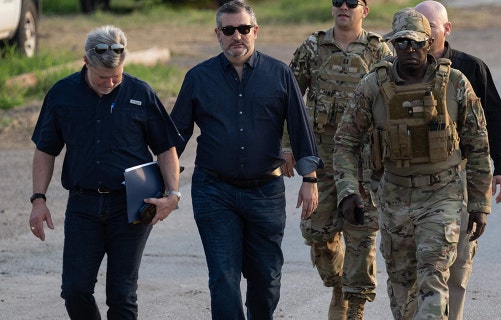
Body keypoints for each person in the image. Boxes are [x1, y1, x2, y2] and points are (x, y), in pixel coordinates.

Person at [333, 8, 493, 319]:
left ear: (430, 42)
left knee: (433, 275)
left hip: (442, 196)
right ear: (393, 45)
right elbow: (346, 141)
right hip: (394, 198)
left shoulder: (455, 83)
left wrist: (479, 203)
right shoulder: (373, 86)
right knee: (402, 286)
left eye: (416, 43)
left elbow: (478, 145)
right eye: (402, 43)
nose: (409, 50)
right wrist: (348, 190)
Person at [169, 1, 322, 319]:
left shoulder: (279, 74)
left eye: (243, 29)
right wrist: (159, 181)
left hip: (265, 193)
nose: (236, 36)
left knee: (266, 280)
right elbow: (174, 139)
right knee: (223, 277)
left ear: (255, 31)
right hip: (214, 191)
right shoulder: (198, 78)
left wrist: (310, 180)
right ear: (218, 34)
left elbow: (300, 129)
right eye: (228, 30)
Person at [29, 25, 182, 319]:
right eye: (102, 78)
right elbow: (45, 150)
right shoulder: (62, 94)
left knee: (122, 295)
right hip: (83, 206)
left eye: (117, 76)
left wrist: (173, 194)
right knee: (75, 290)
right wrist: (39, 199)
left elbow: (166, 149)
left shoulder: (141, 93)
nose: (110, 83)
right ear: (86, 61)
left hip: (133, 206)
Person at [284, 0, 392, 318]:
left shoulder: (379, 51)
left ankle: (354, 306)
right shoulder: (313, 48)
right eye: (337, 1)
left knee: (361, 235)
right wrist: (288, 146)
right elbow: (289, 99)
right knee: (317, 234)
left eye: (351, 2)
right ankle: (339, 285)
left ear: (365, 10)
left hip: (364, 161)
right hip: (321, 159)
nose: (343, 6)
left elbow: (392, 103)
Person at [413, 1, 501, 319]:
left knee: (457, 266)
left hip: (462, 182)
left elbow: (495, 123)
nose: (425, 31)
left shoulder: (470, 69)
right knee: (418, 265)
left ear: (447, 28)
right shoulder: (398, 69)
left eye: (431, 25)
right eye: (419, 24)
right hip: (413, 184)